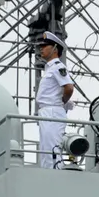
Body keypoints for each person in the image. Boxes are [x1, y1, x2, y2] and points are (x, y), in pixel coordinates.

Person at [35, 31, 75, 169]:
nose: (41, 48)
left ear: (55, 49)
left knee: (52, 148)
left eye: (45, 46)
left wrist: (61, 102)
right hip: (47, 112)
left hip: (52, 111)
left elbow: (69, 88)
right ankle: (49, 172)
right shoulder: (50, 68)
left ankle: (54, 173)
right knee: (46, 148)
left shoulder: (58, 67)